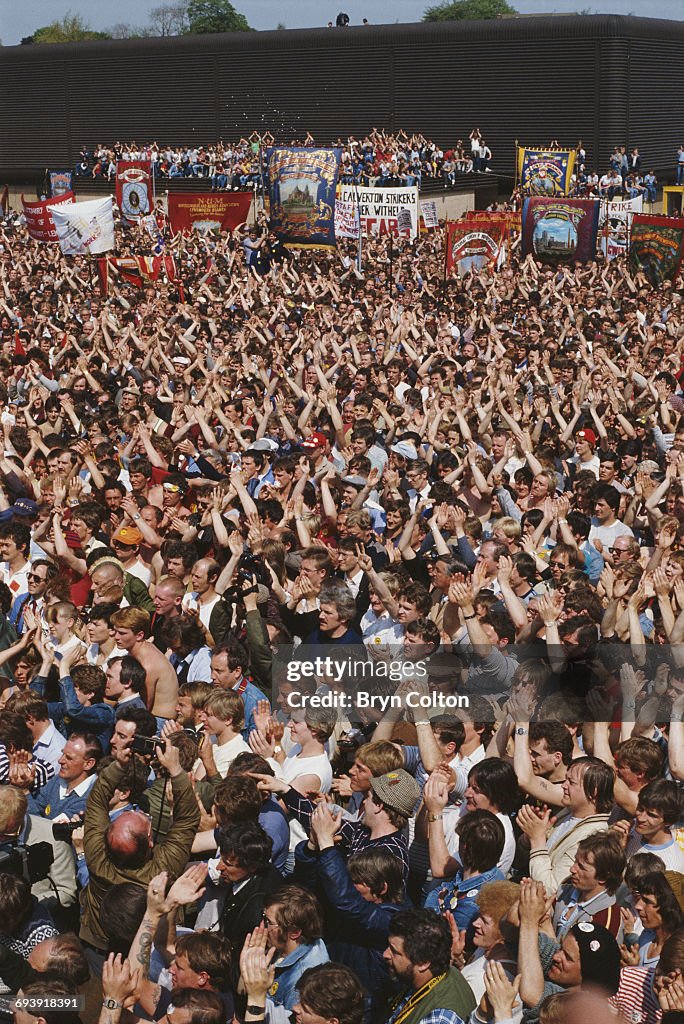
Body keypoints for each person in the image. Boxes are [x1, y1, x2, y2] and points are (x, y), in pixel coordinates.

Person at [79, 737, 200, 953]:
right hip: (147, 949)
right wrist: (176, 769)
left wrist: (119, 765)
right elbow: (187, 820)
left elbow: (97, 800)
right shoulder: (162, 869)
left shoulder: (97, 858)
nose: (137, 812)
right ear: (150, 841)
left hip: (97, 943)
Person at [382, 909, 476, 1024]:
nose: (385, 954)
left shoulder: (440, 1018)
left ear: (423, 963)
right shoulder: (434, 972)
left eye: (394, 951)